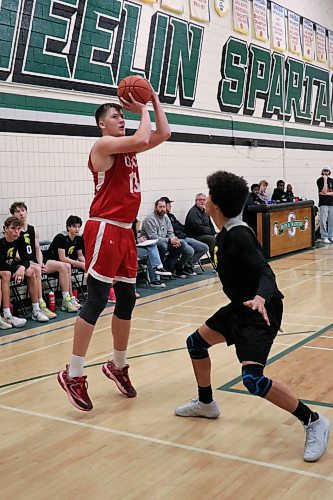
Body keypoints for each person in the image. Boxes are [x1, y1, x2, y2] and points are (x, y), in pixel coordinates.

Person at [175, 170, 331, 463]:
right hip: (241, 306)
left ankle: (314, 421)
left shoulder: (240, 235)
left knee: (253, 380)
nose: (204, 199)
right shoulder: (225, 232)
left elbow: (266, 272)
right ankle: (206, 403)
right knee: (195, 343)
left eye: (208, 195)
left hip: (262, 309)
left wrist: (260, 297)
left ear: (216, 205)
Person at [57, 88, 171, 411]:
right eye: (115, 116)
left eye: (122, 115)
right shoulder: (104, 146)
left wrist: (153, 102)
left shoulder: (128, 148)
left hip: (125, 231)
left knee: (126, 300)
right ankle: (74, 372)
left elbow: (164, 132)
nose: (121, 119)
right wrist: (141, 110)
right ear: (102, 126)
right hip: (104, 226)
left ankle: (117, 365)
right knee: (95, 300)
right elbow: (140, 138)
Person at [10, 201, 77, 316]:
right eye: (17, 211)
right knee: (35, 269)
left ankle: (66, 300)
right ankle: (41, 305)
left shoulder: (33, 229)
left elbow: (37, 249)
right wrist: (29, 263)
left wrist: (41, 263)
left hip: (36, 261)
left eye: (23, 210)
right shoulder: (14, 231)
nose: (21, 214)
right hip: (24, 264)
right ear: (13, 215)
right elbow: (14, 253)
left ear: (26, 212)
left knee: (65, 266)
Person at [0, 216, 49, 326]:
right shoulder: (1, 242)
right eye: (13, 228)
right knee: (7, 274)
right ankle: (7, 315)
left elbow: (26, 259)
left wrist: (22, 268)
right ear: (5, 229)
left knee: (30, 272)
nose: (16, 232)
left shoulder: (19, 240)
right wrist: (17, 270)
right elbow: (2, 265)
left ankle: (36, 310)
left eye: (18, 229)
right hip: (3, 269)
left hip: (8, 269)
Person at [140, 199, 190, 278]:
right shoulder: (150, 219)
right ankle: (160, 268)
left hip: (164, 241)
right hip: (150, 244)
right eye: (160, 207)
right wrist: (170, 240)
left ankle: (168, 267)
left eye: (164, 207)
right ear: (155, 208)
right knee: (162, 245)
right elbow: (153, 237)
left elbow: (170, 232)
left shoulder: (166, 217)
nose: (162, 209)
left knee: (182, 243)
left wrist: (174, 239)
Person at [161, 196, 209, 275]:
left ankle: (188, 266)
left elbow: (179, 226)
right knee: (190, 250)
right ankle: (180, 267)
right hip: (176, 239)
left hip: (184, 236)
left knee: (204, 247)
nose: (171, 206)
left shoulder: (172, 216)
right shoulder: (164, 218)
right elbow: (169, 231)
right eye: (169, 204)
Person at [47, 215, 85, 310]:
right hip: (49, 262)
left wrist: (86, 264)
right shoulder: (61, 237)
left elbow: (80, 256)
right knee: (66, 265)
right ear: (68, 227)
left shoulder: (79, 238)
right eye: (74, 226)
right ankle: (65, 300)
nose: (77, 229)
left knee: (67, 266)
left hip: (65, 265)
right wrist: (79, 264)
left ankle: (70, 298)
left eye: (78, 227)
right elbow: (62, 257)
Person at [133, 219, 172, 289]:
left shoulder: (134, 222)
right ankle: (157, 270)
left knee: (152, 247)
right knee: (152, 251)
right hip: (128, 248)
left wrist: (138, 239)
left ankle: (156, 273)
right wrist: (137, 240)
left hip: (135, 246)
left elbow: (134, 236)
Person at [184, 193, 216, 260]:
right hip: (194, 236)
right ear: (196, 201)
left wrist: (213, 232)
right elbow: (199, 228)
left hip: (203, 235)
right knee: (212, 239)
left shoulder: (205, 211)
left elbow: (211, 224)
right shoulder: (193, 212)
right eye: (200, 200)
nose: (202, 201)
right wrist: (211, 231)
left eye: (204, 200)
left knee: (219, 237)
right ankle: (216, 262)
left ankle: (222, 261)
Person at [316, 167, 333, 244]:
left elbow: (328, 193)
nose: (326, 172)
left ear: (329, 172)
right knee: (323, 220)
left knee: (331, 221)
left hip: (331, 203)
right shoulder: (319, 180)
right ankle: (324, 236)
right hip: (323, 203)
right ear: (322, 172)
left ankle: (330, 236)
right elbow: (323, 190)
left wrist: (325, 194)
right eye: (324, 171)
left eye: (327, 171)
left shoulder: (332, 180)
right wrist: (325, 180)